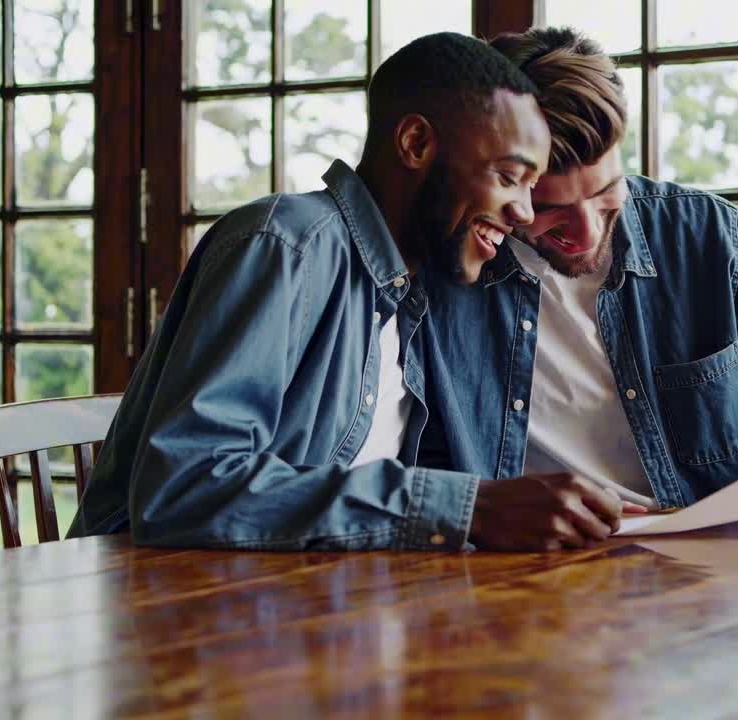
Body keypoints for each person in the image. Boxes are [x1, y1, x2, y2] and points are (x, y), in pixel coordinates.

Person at [69, 32, 630, 552]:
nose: (525, 213)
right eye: (509, 177)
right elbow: (184, 487)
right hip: (161, 614)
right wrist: (468, 507)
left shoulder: (410, 295)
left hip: (303, 614)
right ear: (415, 143)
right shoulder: (285, 246)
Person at [420, 27, 738, 550]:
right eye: (549, 210)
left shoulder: (711, 240)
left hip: (703, 572)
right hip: (507, 572)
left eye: (605, 194)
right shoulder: (441, 264)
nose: (587, 234)